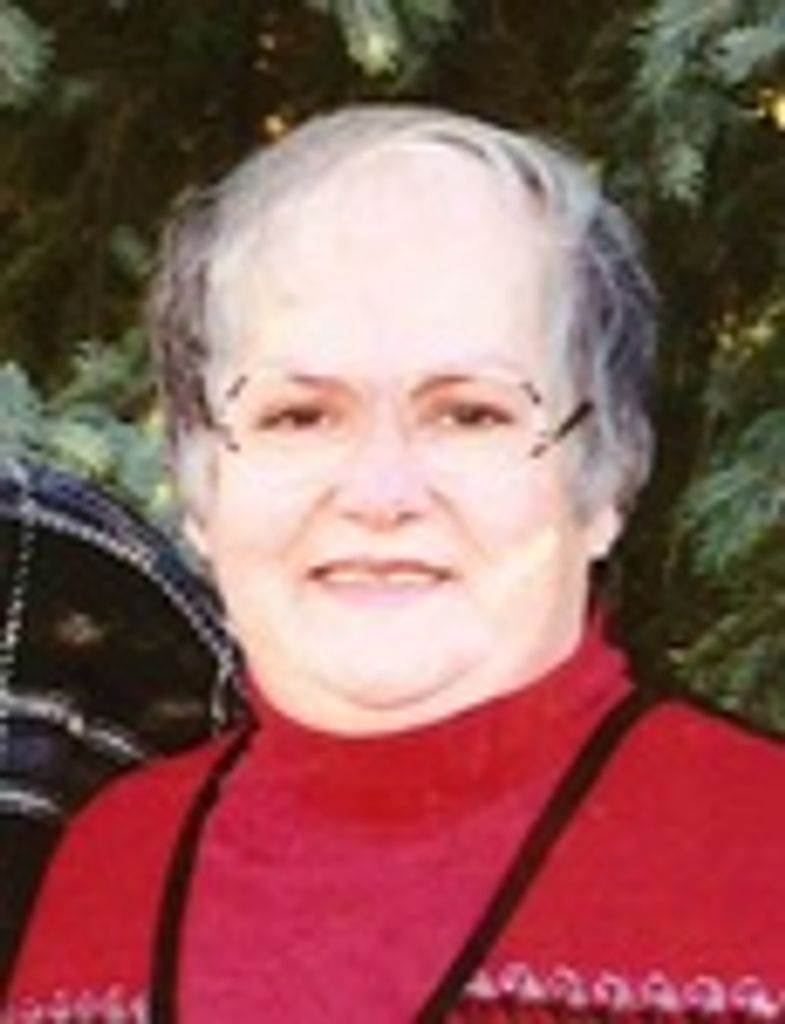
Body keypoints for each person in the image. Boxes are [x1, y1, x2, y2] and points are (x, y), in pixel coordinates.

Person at [5, 104, 785, 1024]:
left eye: (469, 414)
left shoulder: (759, 858)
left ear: (607, 475)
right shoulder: (109, 873)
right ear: (202, 479)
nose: (380, 492)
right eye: (299, 416)